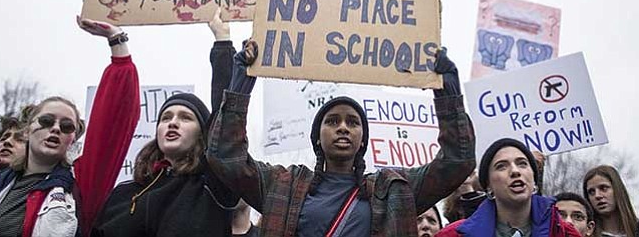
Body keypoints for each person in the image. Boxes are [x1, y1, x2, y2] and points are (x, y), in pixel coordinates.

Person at [207, 44, 476, 236]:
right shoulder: (281, 184)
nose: (343, 128)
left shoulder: (394, 190)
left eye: (353, 122)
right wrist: (240, 88)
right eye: (333, 121)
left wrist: (447, 97)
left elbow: (457, 162)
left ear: (362, 141)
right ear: (317, 138)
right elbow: (226, 158)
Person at [0, 17, 140, 237]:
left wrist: (117, 41)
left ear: (73, 139)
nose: (56, 128)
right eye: (47, 121)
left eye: (67, 126)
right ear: (28, 129)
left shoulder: (80, 187)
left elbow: (116, 119)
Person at [92, 8, 238, 237]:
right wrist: (116, 38)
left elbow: (227, 116)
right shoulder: (124, 194)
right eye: (166, 118)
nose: (173, 123)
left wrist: (223, 41)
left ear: (203, 134)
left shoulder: (212, 188)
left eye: (186, 118)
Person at [437, 138, 580, 237]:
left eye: (522, 163)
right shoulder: (455, 234)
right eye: (501, 166)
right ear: (488, 186)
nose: (515, 171)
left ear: (534, 180)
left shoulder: (565, 233)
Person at [583, 165, 638, 237]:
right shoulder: (585, 234)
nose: (597, 195)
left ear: (617, 190)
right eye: (591, 192)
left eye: (603, 188)